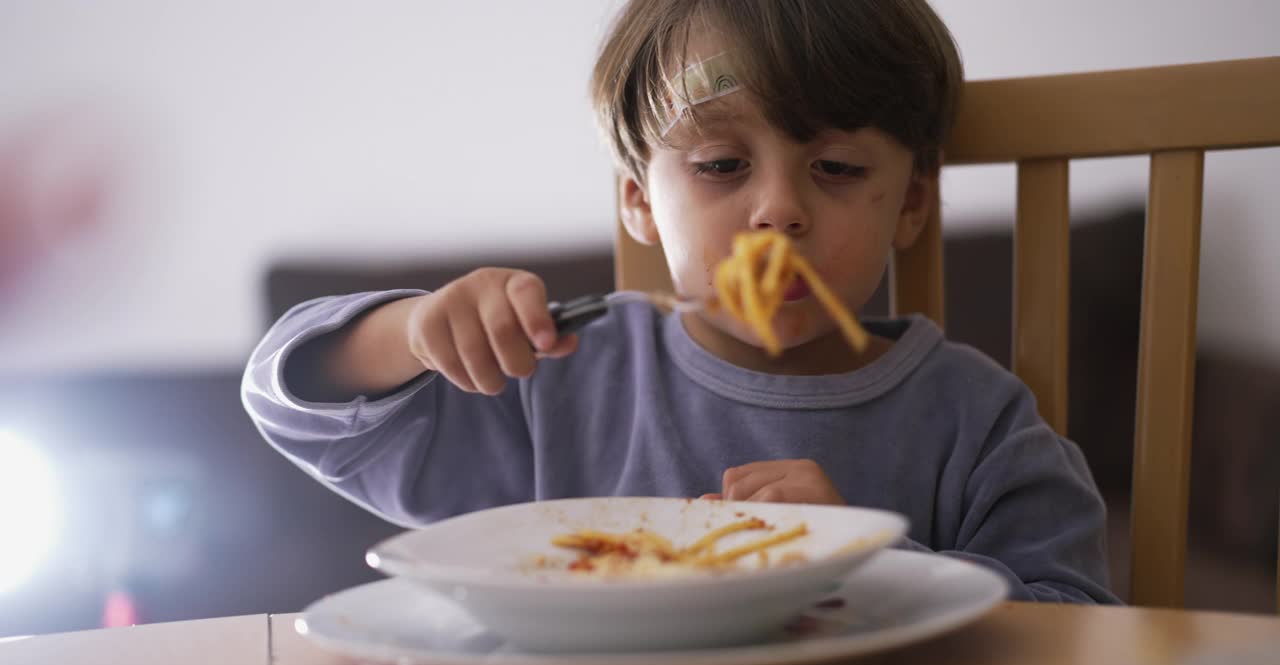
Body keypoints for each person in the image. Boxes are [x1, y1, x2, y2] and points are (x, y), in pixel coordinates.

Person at [243, 0, 1117, 603]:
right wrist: (413, 334)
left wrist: (872, 565)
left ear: (912, 204)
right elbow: (294, 408)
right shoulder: (562, 377)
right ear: (638, 201)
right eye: (721, 166)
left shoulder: (974, 418)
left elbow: (1076, 625)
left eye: (838, 169)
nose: (778, 209)